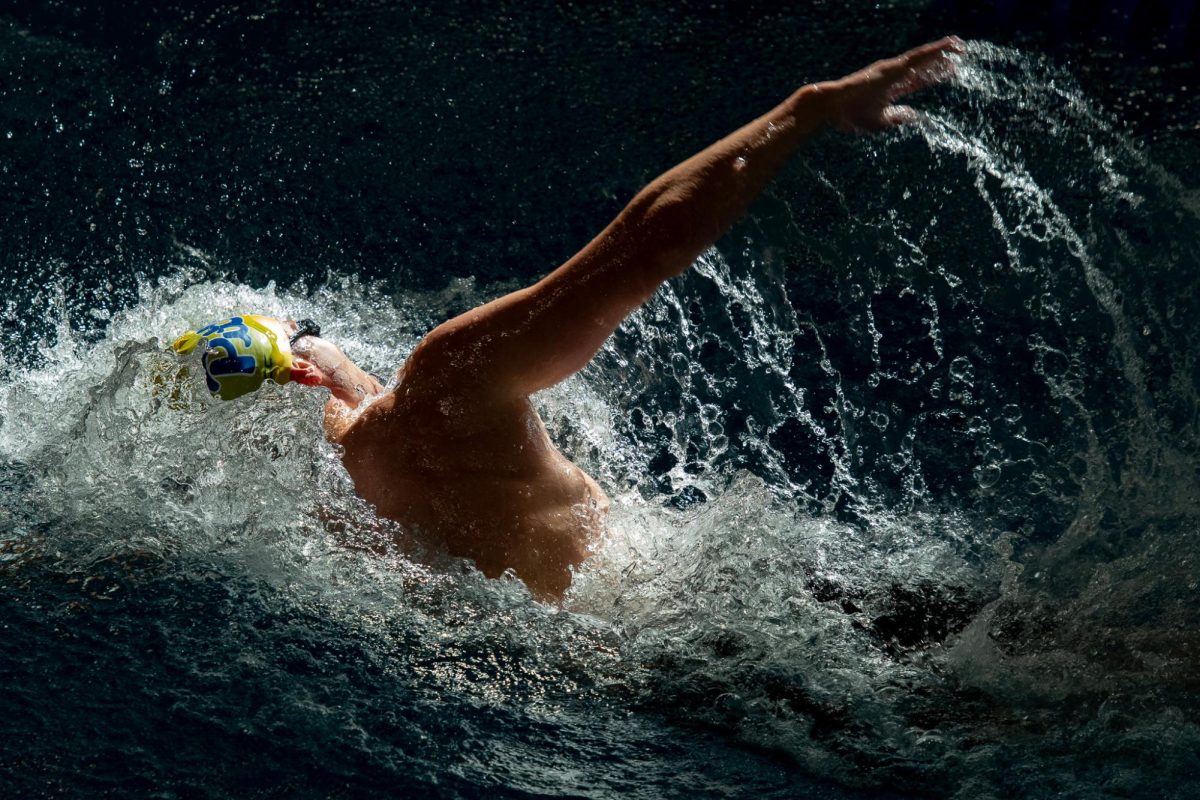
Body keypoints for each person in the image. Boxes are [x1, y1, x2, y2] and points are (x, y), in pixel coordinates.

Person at [174, 37, 964, 600]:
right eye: (304, 338)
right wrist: (806, 111)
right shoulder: (455, 374)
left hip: (611, 667)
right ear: (307, 363)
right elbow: (641, 247)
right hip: (704, 605)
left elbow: (353, 400)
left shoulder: (342, 497)